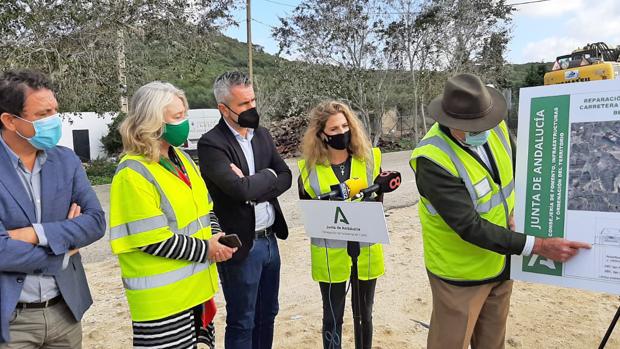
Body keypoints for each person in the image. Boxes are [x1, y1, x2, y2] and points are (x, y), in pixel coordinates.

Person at [410, 73, 591, 349]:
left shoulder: (493, 126)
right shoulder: (432, 161)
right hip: (461, 276)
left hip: (502, 263)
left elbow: (521, 172)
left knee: (493, 342)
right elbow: (469, 226)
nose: (481, 131)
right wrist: (538, 245)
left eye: (483, 123)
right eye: (471, 127)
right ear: (449, 122)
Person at [109, 81, 236, 348]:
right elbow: (151, 239)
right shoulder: (133, 173)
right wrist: (206, 249)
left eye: (185, 114)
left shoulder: (182, 159)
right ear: (152, 121)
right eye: (177, 117)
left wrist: (217, 239)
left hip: (196, 292)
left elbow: (206, 210)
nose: (185, 122)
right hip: (162, 305)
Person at [0, 70, 106, 347]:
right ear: (10, 121)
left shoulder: (66, 161)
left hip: (65, 312)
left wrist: (33, 234)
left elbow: (95, 222)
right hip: (11, 321)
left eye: (55, 111)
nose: (54, 120)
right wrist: (60, 252)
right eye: (42, 114)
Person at [198, 71, 292, 349]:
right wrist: (267, 177)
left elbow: (285, 176)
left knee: (269, 313)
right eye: (243, 104)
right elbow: (239, 191)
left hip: (270, 240)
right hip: (240, 246)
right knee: (243, 320)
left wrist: (255, 181)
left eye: (252, 100)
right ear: (223, 109)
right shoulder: (211, 143)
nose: (252, 108)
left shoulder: (261, 135)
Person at [297, 100, 383, 349]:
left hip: (366, 253)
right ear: (321, 134)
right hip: (329, 257)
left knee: (364, 316)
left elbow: (378, 205)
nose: (341, 133)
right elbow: (310, 215)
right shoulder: (308, 171)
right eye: (334, 129)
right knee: (332, 318)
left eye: (345, 126)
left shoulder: (370, 161)